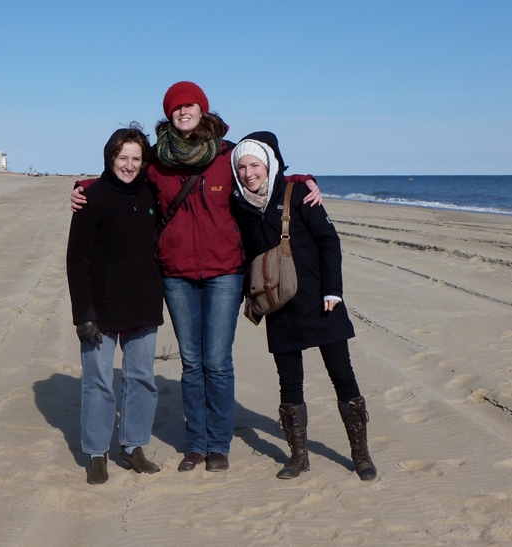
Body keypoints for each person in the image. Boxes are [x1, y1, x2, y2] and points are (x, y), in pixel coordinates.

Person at [71, 82, 321, 473]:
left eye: (190, 106)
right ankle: (197, 444)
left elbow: (266, 175)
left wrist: (305, 179)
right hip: (176, 274)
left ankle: (218, 443)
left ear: (202, 110)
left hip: (224, 273)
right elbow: (124, 179)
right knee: (191, 363)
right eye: (176, 108)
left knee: (217, 362)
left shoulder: (227, 153)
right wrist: (83, 187)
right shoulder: (157, 160)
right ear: (168, 114)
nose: (183, 112)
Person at [230, 131, 377, 481]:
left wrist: (334, 291)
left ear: (269, 164)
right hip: (278, 304)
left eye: (255, 164)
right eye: (242, 166)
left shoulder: (299, 194)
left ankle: (361, 455)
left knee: (343, 377)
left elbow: (329, 241)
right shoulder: (239, 206)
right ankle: (298, 457)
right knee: (289, 384)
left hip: (321, 300)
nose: (249, 172)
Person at [66, 123, 164, 485]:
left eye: (136, 158)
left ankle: (133, 446)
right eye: (123, 157)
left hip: (143, 302)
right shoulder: (92, 198)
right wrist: (83, 315)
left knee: (142, 379)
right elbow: (77, 261)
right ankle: (96, 453)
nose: (129, 165)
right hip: (101, 308)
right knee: (99, 381)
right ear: (110, 158)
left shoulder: (151, 195)